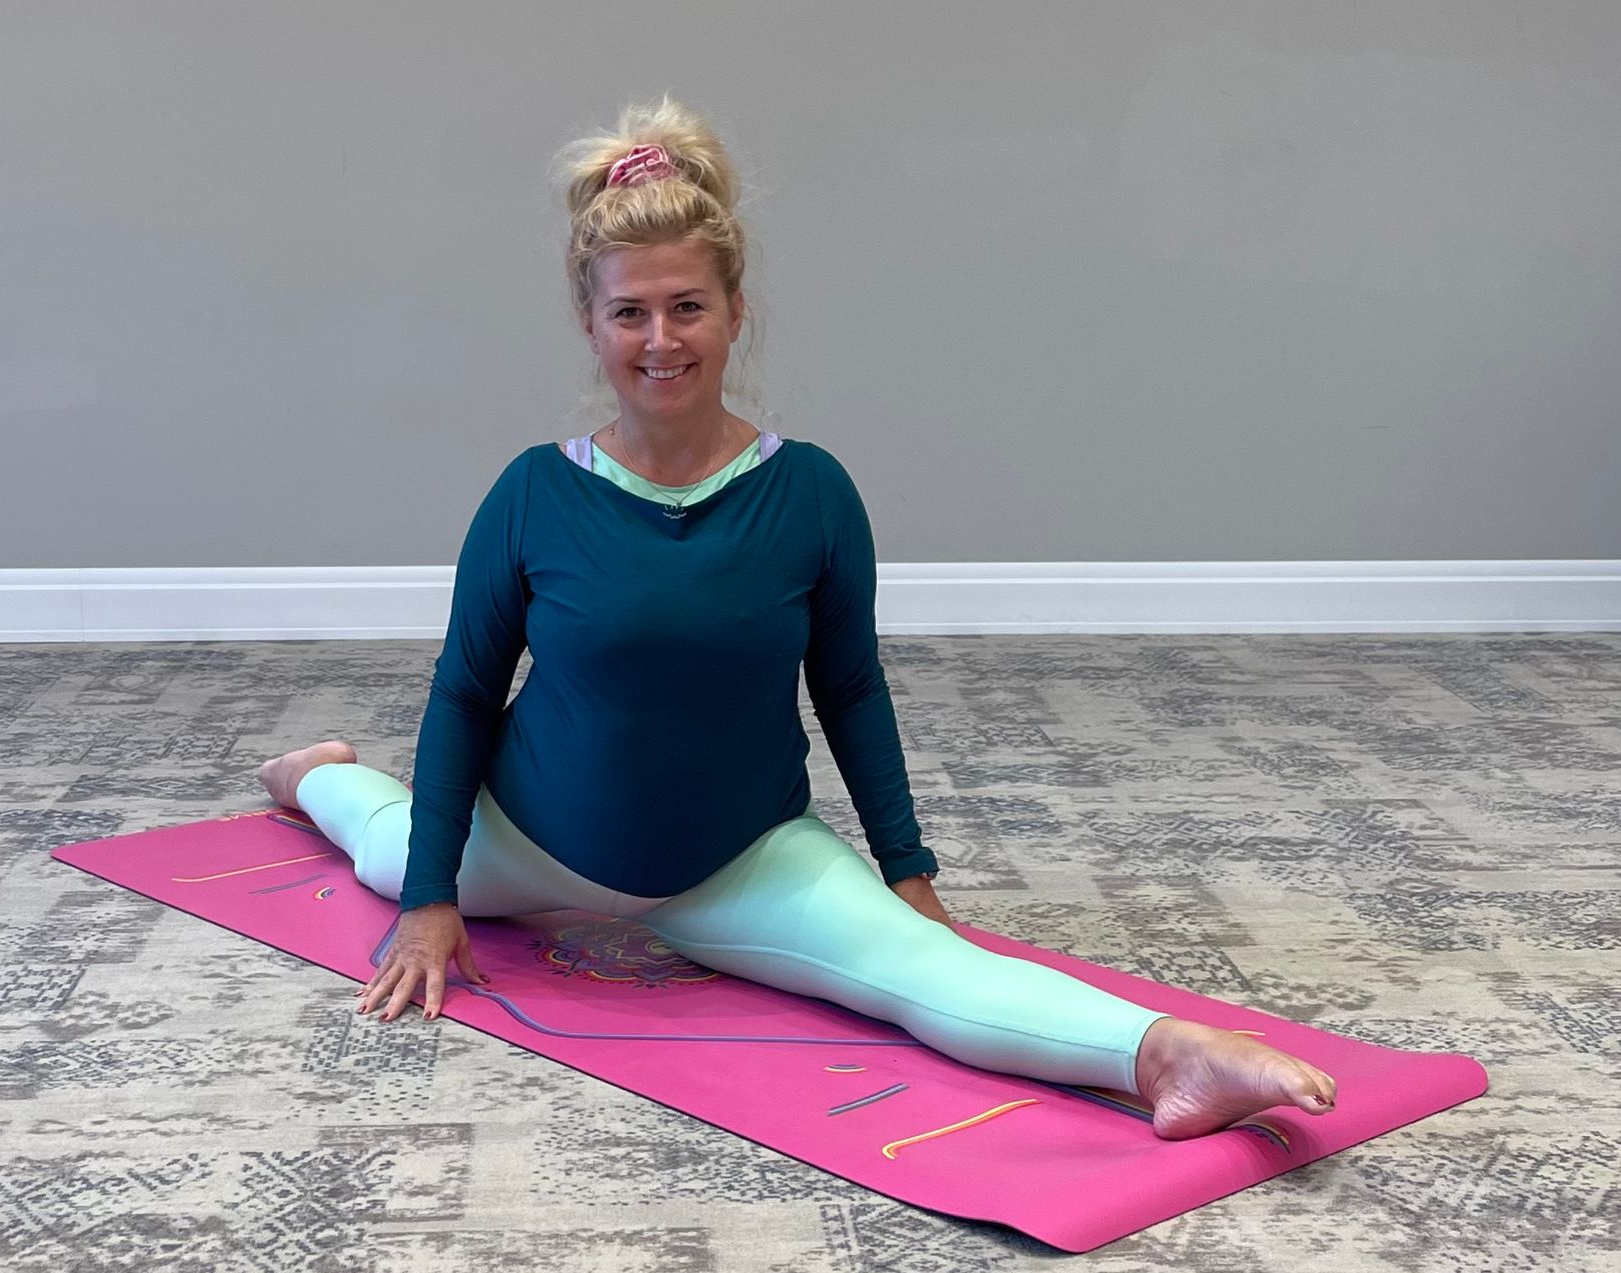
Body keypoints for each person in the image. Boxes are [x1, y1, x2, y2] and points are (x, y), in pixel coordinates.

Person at [260, 104, 1335, 1140]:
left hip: (737, 858)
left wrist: (907, 876)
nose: (660, 338)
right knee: (389, 850)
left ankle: (1173, 1057)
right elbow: (465, 691)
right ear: (590, 324)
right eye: (630, 312)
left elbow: (851, 689)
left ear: (736, 312)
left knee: (929, 977)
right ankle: (314, 773)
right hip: (529, 836)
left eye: (687, 306)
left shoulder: (811, 492)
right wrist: (434, 898)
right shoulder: (535, 493)